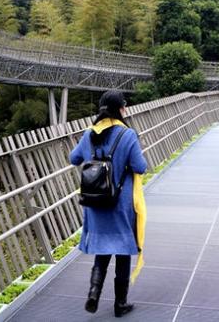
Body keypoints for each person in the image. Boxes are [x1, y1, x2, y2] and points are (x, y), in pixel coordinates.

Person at [70, 91, 148, 317]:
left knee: (103, 248)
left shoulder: (89, 134)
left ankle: (93, 293)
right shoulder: (128, 134)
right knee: (123, 250)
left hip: (95, 201)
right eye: (124, 106)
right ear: (119, 109)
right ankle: (120, 304)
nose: (126, 109)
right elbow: (140, 167)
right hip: (120, 202)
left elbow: (73, 158)